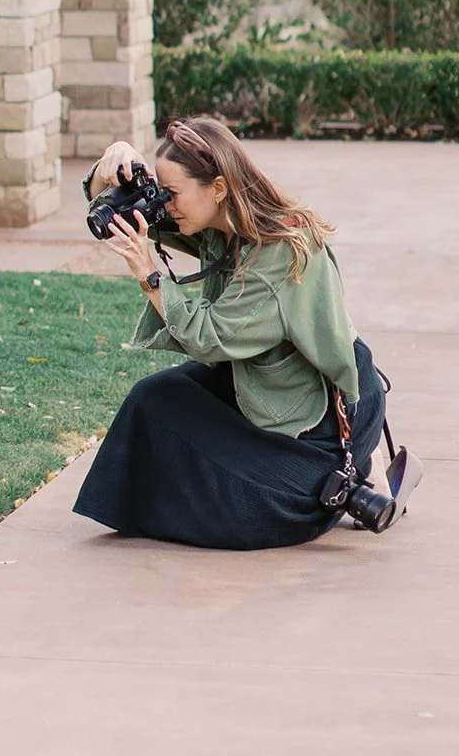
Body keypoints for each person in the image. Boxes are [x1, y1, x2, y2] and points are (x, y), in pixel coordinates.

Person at [73, 115, 405, 551]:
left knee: (246, 505)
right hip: (267, 380)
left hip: (319, 416)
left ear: (218, 188)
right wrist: (108, 168)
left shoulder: (277, 254)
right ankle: (360, 464)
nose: (164, 205)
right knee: (151, 401)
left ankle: (354, 464)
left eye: (170, 194)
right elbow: (124, 214)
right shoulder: (222, 221)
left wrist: (149, 275)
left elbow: (207, 337)